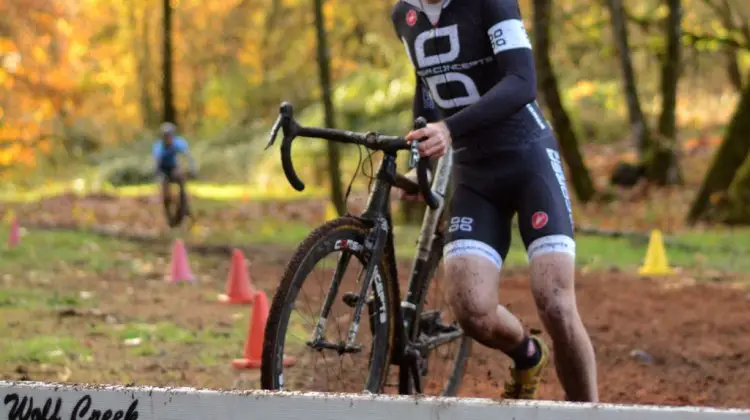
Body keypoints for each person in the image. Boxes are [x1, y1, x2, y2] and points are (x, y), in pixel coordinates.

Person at [391, 0, 598, 401]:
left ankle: (587, 411)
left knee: (555, 302)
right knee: (470, 308)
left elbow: (522, 80)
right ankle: (527, 355)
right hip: (474, 176)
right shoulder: (404, 15)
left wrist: (449, 130)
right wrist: (425, 168)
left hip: (528, 158)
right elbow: (426, 87)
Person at [152, 122, 197, 213]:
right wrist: (156, 174)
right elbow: (156, 162)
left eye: (170, 135)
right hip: (163, 170)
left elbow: (187, 156)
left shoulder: (178, 143)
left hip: (173, 167)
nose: (168, 138)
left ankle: (184, 204)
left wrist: (193, 168)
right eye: (166, 136)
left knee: (181, 179)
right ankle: (168, 209)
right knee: (166, 192)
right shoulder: (159, 146)